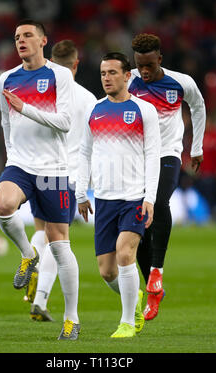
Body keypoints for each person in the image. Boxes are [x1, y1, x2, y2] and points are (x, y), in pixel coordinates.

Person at [0, 19, 80, 340]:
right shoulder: (7, 78)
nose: (21, 40)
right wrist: (10, 156)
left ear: (43, 40)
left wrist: (26, 108)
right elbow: (6, 121)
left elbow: (66, 123)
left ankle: (71, 319)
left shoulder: (58, 75)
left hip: (54, 170)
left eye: (28, 35)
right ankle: (28, 254)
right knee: (3, 204)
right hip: (20, 163)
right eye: (17, 37)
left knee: (60, 245)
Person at [76, 52, 161, 338]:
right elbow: (85, 153)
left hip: (134, 197)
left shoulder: (143, 109)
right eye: (103, 73)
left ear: (128, 76)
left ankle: (126, 322)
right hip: (104, 199)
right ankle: (134, 297)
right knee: (106, 271)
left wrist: (150, 197)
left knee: (126, 253)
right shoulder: (94, 110)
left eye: (113, 72)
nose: (107, 78)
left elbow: (153, 155)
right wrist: (80, 192)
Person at [128, 33, 206, 320]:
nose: (144, 71)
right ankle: (152, 288)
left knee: (159, 204)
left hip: (168, 155)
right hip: (135, 158)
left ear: (159, 59)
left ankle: (157, 271)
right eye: (140, 65)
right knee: (137, 222)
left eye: (149, 65)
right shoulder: (128, 80)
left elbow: (198, 106)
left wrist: (195, 147)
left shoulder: (181, 82)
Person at [26, 40, 97, 322]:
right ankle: (40, 300)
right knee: (60, 241)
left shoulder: (42, 95)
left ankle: (28, 260)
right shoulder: (88, 99)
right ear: (76, 64)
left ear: (51, 63)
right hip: (68, 176)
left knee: (43, 232)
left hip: (39, 171)